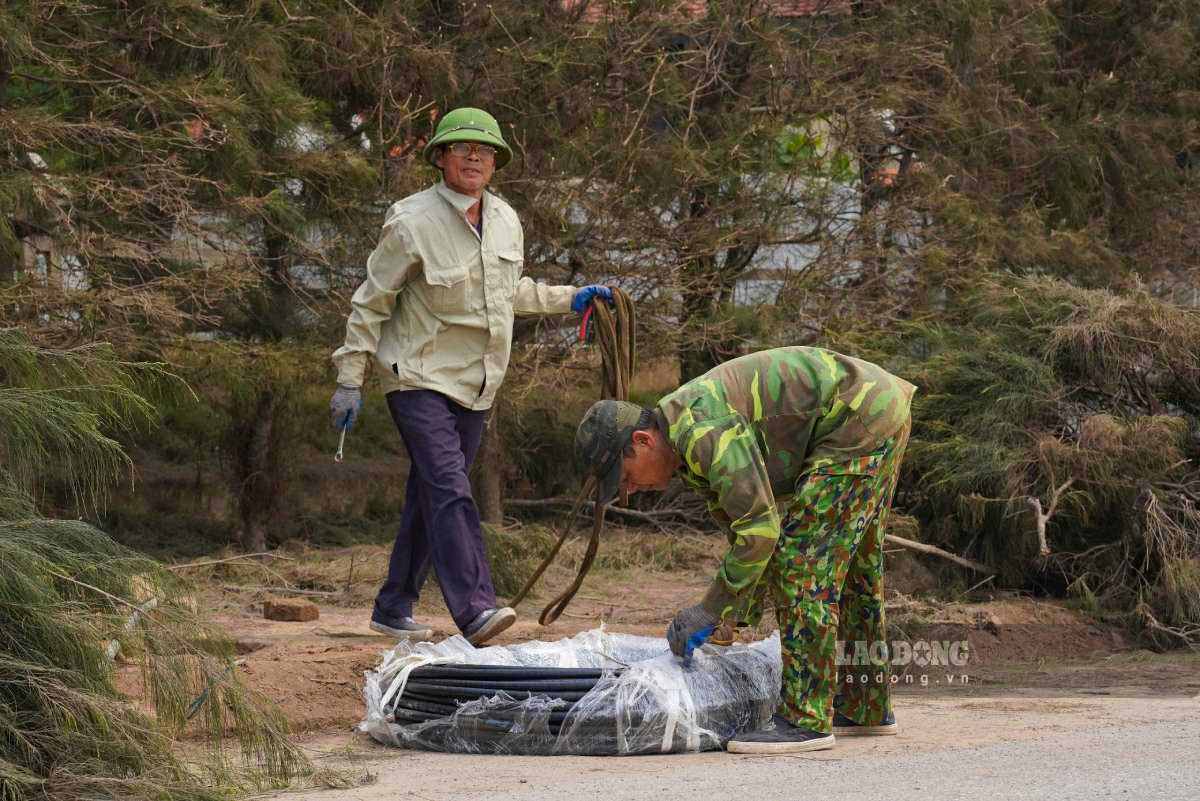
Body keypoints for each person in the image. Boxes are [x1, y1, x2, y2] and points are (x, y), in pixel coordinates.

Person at [331, 107, 611, 647]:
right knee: (449, 485)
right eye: (461, 148)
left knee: (429, 493)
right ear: (440, 157)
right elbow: (371, 301)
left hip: (479, 382)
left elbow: (510, 292)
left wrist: (567, 299)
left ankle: (393, 607)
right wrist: (350, 374)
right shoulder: (411, 221)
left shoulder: (505, 218)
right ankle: (476, 608)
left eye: (484, 150)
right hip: (416, 374)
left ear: (496, 161)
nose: (474, 157)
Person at [573, 346, 915, 754]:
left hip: (857, 418)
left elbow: (760, 531)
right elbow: (745, 537)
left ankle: (805, 721)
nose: (629, 489)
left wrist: (710, 608)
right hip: (874, 407)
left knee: (801, 564)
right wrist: (733, 616)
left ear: (643, 440)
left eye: (625, 475)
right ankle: (865, 707)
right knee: (854, 567)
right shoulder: (685, 440)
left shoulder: (701, 431)